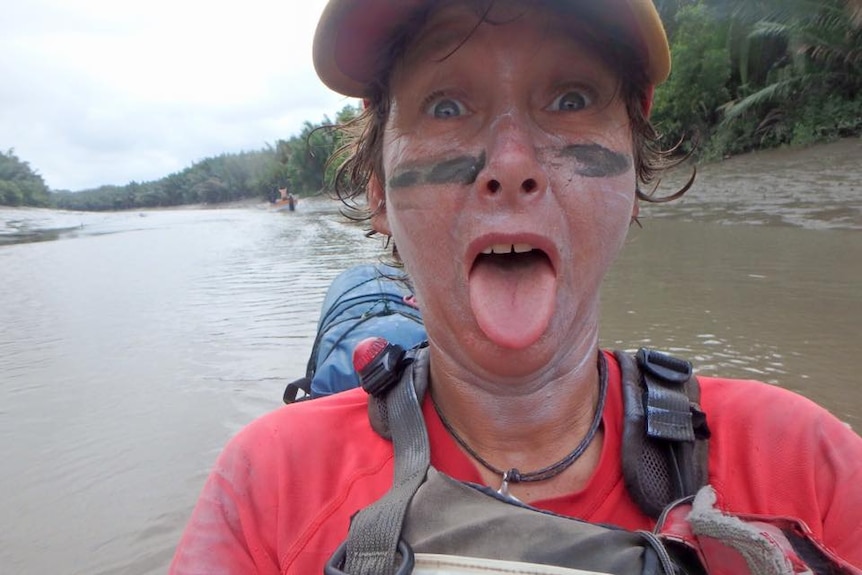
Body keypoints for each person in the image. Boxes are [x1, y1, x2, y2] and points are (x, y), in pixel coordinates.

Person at [170, 0, 862, 573]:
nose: (510, 164)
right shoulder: (268, 489)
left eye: (570, 98)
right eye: (445, 106)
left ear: (634, 178)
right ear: (379, 192)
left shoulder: (807, 465)